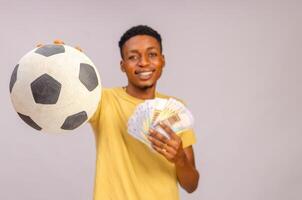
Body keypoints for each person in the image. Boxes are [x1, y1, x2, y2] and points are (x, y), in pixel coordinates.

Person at [88, 25, 199, 200]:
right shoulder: (103, 100)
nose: (144, 62)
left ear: (163, 60)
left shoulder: (176, 108)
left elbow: (191, 185)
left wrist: (180, 159)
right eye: (133, 57)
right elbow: (67, 96)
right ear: (122, 65)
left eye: (152, 54)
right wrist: (58, 62)